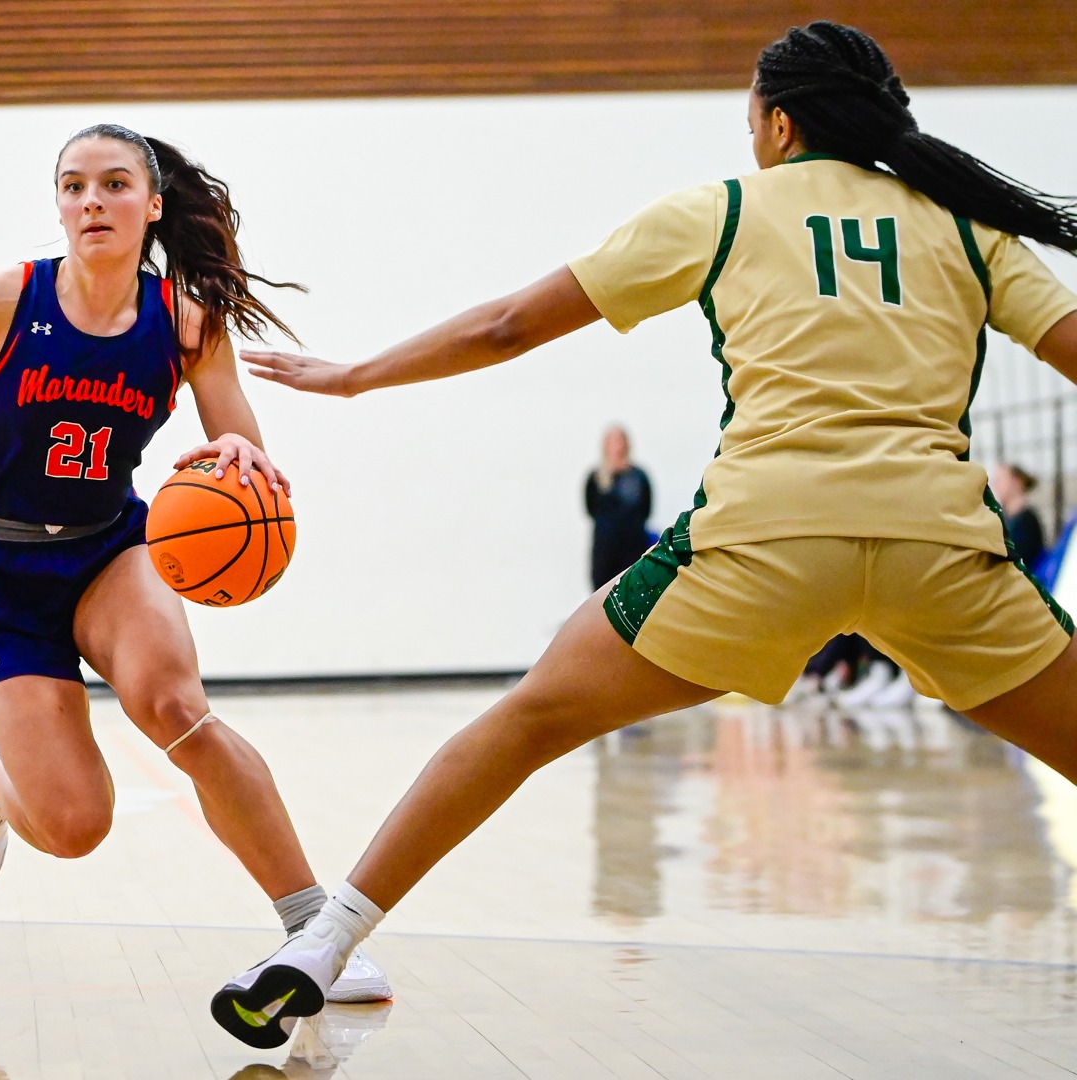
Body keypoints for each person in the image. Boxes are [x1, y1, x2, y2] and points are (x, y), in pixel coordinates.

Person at [210, 21, 1077, 1047]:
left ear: (780, 124)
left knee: (526, 721)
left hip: (763, 544)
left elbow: (506, 326)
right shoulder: (969, 229)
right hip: (941, 550)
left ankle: (322, 945)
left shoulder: (723, 210)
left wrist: (357, 376)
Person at [0, 124, 389, 1003]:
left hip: (109, 549)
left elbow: (240, 444)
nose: (91, 201)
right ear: (58, 208)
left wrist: (238, 456)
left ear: (151, 206)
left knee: (180, 711)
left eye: (113, 184)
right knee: (74, 827)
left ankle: (314, 932)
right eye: (73, 186)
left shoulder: (185, 322)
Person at [585, 426, 654, 590]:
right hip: (605, 549)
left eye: (620, 441)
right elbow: (590, 508)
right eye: (612, 441)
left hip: (633, 548)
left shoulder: (638, 476)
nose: (617, 446)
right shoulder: (595, 477)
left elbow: (646, 509)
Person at [993, 463, 1048, 571]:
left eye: (1000, 480)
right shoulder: (1005, 518)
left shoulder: (1026, 521)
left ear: (1017, 481)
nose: (996, 486)